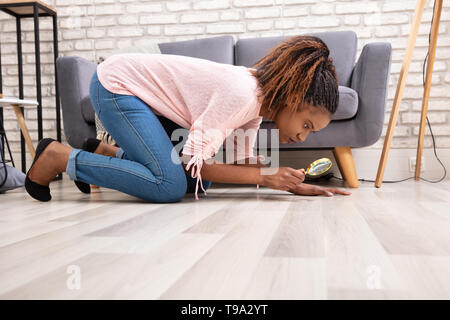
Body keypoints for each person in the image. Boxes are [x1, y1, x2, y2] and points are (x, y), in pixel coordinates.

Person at [25, 35, 351, 202]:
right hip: (118, 86)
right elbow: (196, 162)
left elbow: (230, 165)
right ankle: (60, 156)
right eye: (307, 126)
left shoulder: (261, 103)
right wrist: (268, 178)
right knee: (169, 185)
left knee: (197, 185)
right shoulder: (242, 94)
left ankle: (105, 154)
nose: (303, 137)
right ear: (293, 100)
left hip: (150, 103)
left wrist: (285, 181)